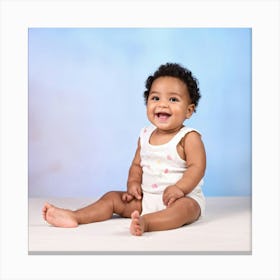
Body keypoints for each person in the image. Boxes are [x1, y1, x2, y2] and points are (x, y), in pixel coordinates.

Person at [42, 63, 206, 236]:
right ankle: (75, 216)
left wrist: (180, 188)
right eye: (155, 98)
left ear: (189, 110)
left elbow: (197, 168)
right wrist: (133, 184)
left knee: (184, 209)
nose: (163, 105)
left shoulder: (188, 137)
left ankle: (147, 223)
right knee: (112, 198)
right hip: (147, 200)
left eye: (173, 99)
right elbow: (136, 165)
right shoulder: (145, 135)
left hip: (182, 198)